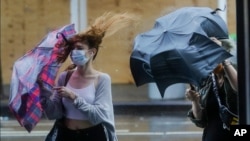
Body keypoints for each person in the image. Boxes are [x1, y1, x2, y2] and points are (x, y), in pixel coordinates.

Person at [39, 12, 138, 141]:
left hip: (93, 136)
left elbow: (99, 116)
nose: (74, 52)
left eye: (79, 48)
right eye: (72, 48)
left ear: (91, 52)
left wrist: (74, 97)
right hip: (66, 135)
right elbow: (54, 114)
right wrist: (44, 94)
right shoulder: (65, 77)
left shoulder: (102, 79)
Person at [185, 37, 238, 141]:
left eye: (213, 56)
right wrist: (195, 101)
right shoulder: (205, 80)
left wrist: (223, 59)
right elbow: (201, 121)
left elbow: (240, 89)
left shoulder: (237, 70)